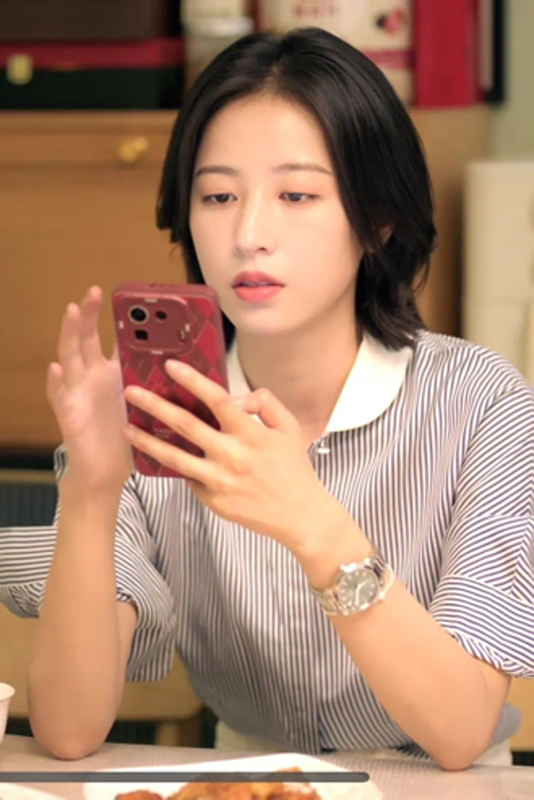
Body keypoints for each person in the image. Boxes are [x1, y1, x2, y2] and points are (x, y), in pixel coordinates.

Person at [1, 27, 533, 769]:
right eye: (218, 195)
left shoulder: (481, 404)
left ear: (379, 221)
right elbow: (68, 730)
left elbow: (461, 730)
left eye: (297, 195)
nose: (249, 234)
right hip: (247, 778)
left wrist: (312, 523)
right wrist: (92, 490)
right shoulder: (156, 415)